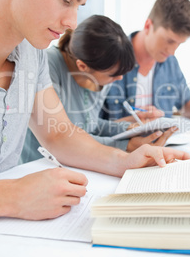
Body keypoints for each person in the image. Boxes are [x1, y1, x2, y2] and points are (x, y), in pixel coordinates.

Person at [0, 0, 190, 221]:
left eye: (78, 6)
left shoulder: (31, 54)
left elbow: (60, 135)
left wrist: (125, 161)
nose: (71, 23)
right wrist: (12, 196)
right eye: (65, 0)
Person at [21, 15, 176, 164]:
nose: (119, 79)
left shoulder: (100, 76)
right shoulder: (47, 66)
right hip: (36, 165)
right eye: (113, 75)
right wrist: (126, 145)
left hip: (73, 163)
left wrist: (132, 127)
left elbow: (91, 125)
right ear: (83, 66)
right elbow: (66, 137)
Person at [101, 0, 190, 125]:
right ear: (148, 26)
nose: (172, 51)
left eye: (179, 44)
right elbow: (93, 125)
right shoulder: (111, 57)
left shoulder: (170, 63)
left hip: (162, 143)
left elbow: (185, 103)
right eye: (169, 41)